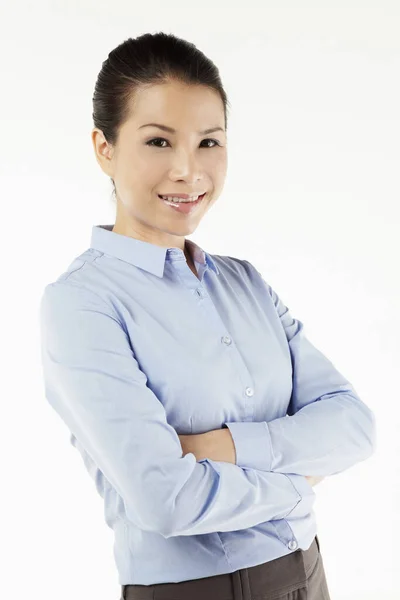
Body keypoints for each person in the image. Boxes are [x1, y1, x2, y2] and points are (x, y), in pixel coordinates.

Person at [39, 32, 376, 600]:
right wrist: (299, 486)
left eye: (209, 142)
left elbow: (353, 426)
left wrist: (221, 446)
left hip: (308, 575)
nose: (188, 171)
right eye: (158, 141)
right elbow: (165, 500)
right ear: (104, 147)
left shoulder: (246, 283)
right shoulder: (83, 303)